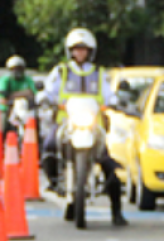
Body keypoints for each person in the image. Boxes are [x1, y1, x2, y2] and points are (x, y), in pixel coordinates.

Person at [40, 27, 126, 226]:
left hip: (93, 123)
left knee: (108, 162)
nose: (80, 52)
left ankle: (117, 211)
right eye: (76, 49)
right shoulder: (61, 71)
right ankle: (53, 181)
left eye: (84, 49)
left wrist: (114, 101)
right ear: (70, 50)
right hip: (66, 122)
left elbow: (108, 93)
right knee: (49, 145)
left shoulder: (99, 73)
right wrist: (45, 98)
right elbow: (49, 91)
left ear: (90, 51)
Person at [0, 55, 39, 136]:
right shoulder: (5, 79)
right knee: (2, 122)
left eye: (19, 69)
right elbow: (2, 96)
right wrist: (23, 94)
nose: (17, 71)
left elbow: (32, 93)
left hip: (25, 106)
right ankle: (2, 137)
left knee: (36, 119)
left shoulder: (27, 79)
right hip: (7, 107)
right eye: (15, 69)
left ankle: (37, 139)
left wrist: (13, 95)